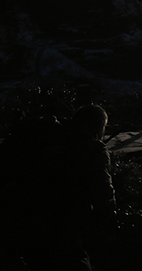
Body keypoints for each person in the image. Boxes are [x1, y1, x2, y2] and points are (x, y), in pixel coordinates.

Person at [17, 104, 117, 270]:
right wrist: (108, 221)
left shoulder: (47, 138)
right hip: (68, 223)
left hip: (30, 218)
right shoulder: (93, 148)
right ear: (99, 125)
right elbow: (103, 191)